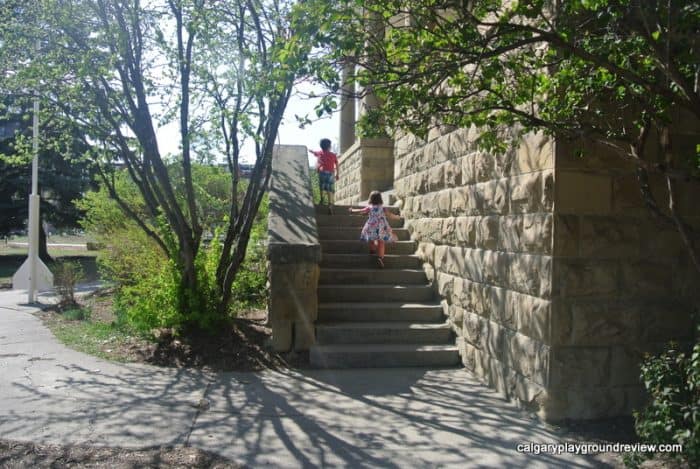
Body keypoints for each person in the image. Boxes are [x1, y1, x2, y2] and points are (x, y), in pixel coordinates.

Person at [349, 190, 400, 268]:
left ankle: (372, 250)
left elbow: (361, 211)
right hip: (382, 227)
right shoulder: (383, 208)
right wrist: (397, 217)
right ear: (380, 199)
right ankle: (380, 258)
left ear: (371, 199)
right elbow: (390, 215)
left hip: (372, 226)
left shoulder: (369, 208)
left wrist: (352, 210)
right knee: (381, 242)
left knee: (371, 239)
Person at [308, 138, 339, 213]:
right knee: (329, 189)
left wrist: (310, 150)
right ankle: (330, 204)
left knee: (321, 187)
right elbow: (337, 164)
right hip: (331, 173)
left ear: (321, 146)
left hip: (322, 172)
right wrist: (337, 173)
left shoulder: (320, 153)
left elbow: (314, 152)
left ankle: (321, 200)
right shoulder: (333, 155)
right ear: (329, 147)